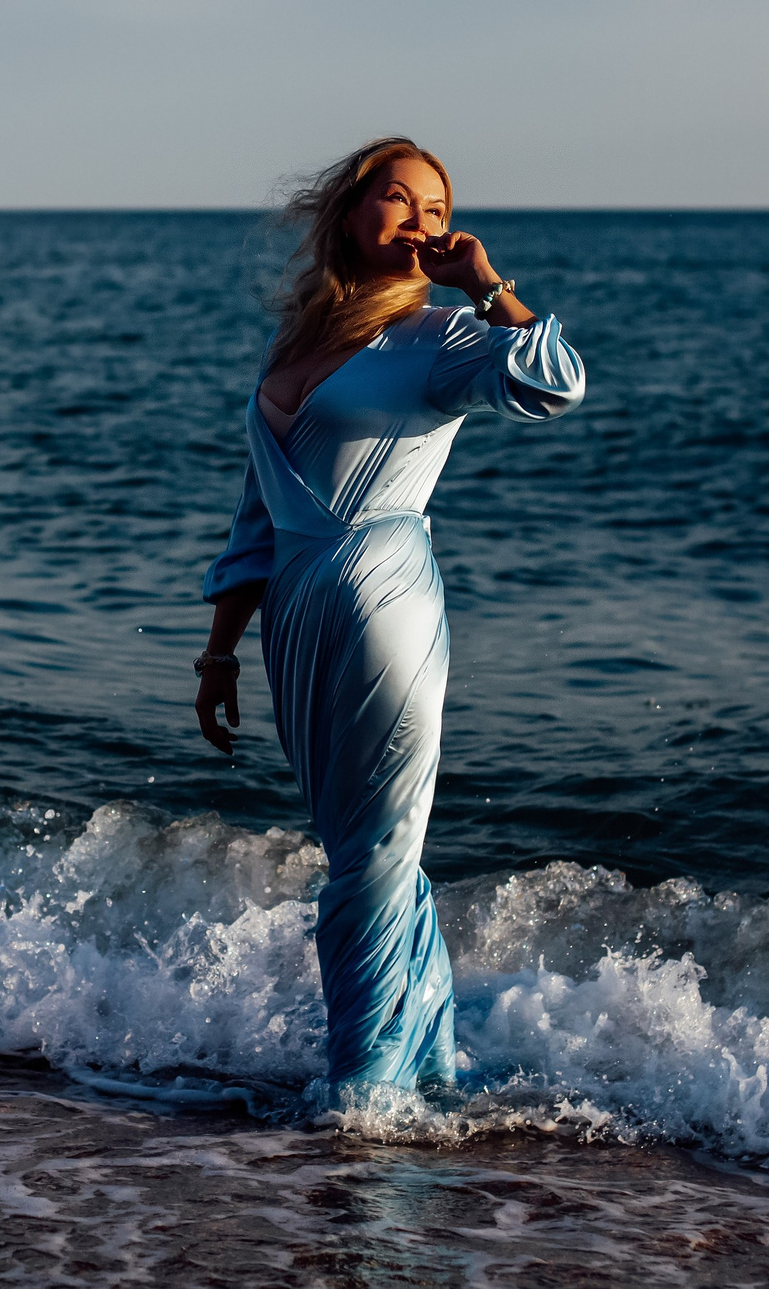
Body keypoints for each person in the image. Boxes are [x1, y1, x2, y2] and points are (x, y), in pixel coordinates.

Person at [194, 136, 586, 1101]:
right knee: (365, 850)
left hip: (381, 596)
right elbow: (256, 513)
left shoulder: (440, 340)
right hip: (296, 609)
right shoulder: (297, 342)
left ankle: (362, 1089)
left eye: (437, 210)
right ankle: (425, 1071)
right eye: (402, 199)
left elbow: (556, 381)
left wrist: (486, 285)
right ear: (349, 207)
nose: (421, 222)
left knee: (377, 851)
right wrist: (219, 652)